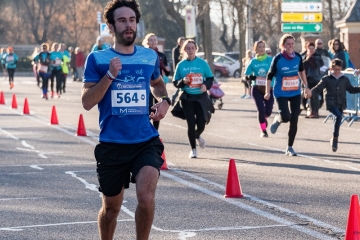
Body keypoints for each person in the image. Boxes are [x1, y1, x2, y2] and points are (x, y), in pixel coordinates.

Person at [81, 1, 170, 239]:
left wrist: (165, 101)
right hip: (112, 143)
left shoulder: (149, 56)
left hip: (145, 140)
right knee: (111, 209)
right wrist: (110, 75)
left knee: (146, 196)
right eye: (122, 21)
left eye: (132, 20)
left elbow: (158, 85)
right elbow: (87, 101)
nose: (128, 25)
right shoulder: (97, 59)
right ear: (111, 27)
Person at [265, 34, 312, 156]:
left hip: (295, 92)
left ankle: (290, 147)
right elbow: (270, 76)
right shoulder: (278, 59)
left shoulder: (297, 57)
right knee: (286, 117)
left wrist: (306, 87)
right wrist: (267, 91)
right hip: (281, 93)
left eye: (292, 44)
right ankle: (278, 119)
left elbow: (301, 71)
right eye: (288, 44)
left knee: (294, 119)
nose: (291, 46)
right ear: (282, 45)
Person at [173, 39, 215, 158]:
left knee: (202, 123)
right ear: (184, 50)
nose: (190, 50)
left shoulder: (202, 63)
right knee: (191, 123)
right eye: (188, 48)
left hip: (201, 97)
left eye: (192, 48)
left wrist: (205, 85)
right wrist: (183, 81)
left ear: (196, 49)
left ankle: (197, 135)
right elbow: (175, 82)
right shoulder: (181, 65)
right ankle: (193, 149)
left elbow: (210, 78)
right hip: (187, 98)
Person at [310, 58, 360, 152]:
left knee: (338, 118)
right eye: (335, 69)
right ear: (331, 68)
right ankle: (335, 138)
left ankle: (334, 138)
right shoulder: (326, 79)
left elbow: (351, 89)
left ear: (341, 69)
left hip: (341, 103)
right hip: (331, 103)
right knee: (338, 115)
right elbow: (317, 89)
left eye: (338, 69)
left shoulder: (344, 79)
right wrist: (310, 93)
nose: (336, 72)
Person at [244, 40, 274, 137]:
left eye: (263, 47)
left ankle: (263, 118)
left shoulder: (270, 60)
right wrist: (251, 77)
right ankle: (263, 130)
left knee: (268, 111)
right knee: (261, 109)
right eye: (259, 47)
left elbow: (275, 71)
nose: (261, 49)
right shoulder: (253, 61)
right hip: (256, 88)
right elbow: (246, 75)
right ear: (255, 49)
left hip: (269, 88)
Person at [142, 33, 171, 130]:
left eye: (155, 40)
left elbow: (167, 73)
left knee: (158, 108)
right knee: (149, 108)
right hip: (148, 84)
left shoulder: (161, 55)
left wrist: (167, 70)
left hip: (159, 84)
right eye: (151, 40)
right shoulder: (144, 54)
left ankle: (155, 133)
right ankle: (146, 129)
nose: (153, 41)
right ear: (147, 42)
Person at [303, 42, 324, 118]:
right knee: (308, 96)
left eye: (313, 48)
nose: (311, 50)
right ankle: (311, 111)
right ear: (306, 49)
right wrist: (307, 59)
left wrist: (311, 59)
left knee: (315, 95)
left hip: (315, 79)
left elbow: (319, 64)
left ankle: (315, 112)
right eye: (310, 48)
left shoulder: (317, 56)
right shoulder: (304, 56)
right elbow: (301, 65)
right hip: (306, 79)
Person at [171, 36, 186, 105]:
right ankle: (174, 97)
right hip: (179, 69)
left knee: (182, 84)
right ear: (178, 42)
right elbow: (176, 61)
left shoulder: (186, 49)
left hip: (185, 69)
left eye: (184, 41)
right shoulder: (176, 50)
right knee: (180, 84)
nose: (182, 43)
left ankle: (174, 97)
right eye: (181, 42)